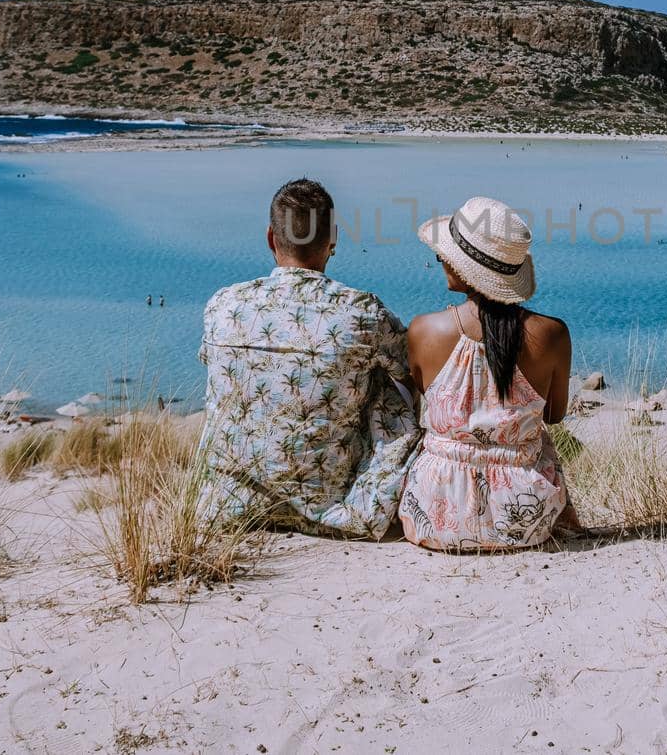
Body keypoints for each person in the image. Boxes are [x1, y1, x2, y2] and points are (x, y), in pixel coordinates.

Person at [195, 178, 421, 539]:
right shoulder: (360, 312)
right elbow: (413, 368)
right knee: (386, 381)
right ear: (332, 240)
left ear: (271, 237)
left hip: (227, 504)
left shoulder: (223, 304)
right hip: (330, 506)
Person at [400, 196, 575, 551]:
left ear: (462, 267)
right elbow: (555, 415)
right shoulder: (553, 334)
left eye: (443, 255)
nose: (441, 261)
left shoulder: (424, 330)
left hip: (435, 514)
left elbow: (421, 407)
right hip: (525, 517)